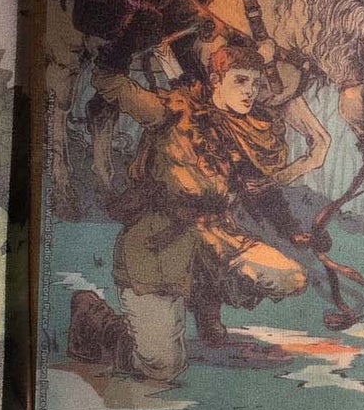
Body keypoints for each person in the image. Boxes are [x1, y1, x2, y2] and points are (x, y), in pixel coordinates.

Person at [65, 38, 315, 384]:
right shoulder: (171, 111)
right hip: (158, 245)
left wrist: (292, 229)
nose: (250, 92)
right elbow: (117, 88)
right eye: (240, 80)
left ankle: (203, 298)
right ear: (215, 81)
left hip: (219, 239)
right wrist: (113, 58)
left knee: (291, 277)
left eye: (256, 84)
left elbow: (261, 192)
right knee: (161, 367)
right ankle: (97, 321)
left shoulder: (240, 131)